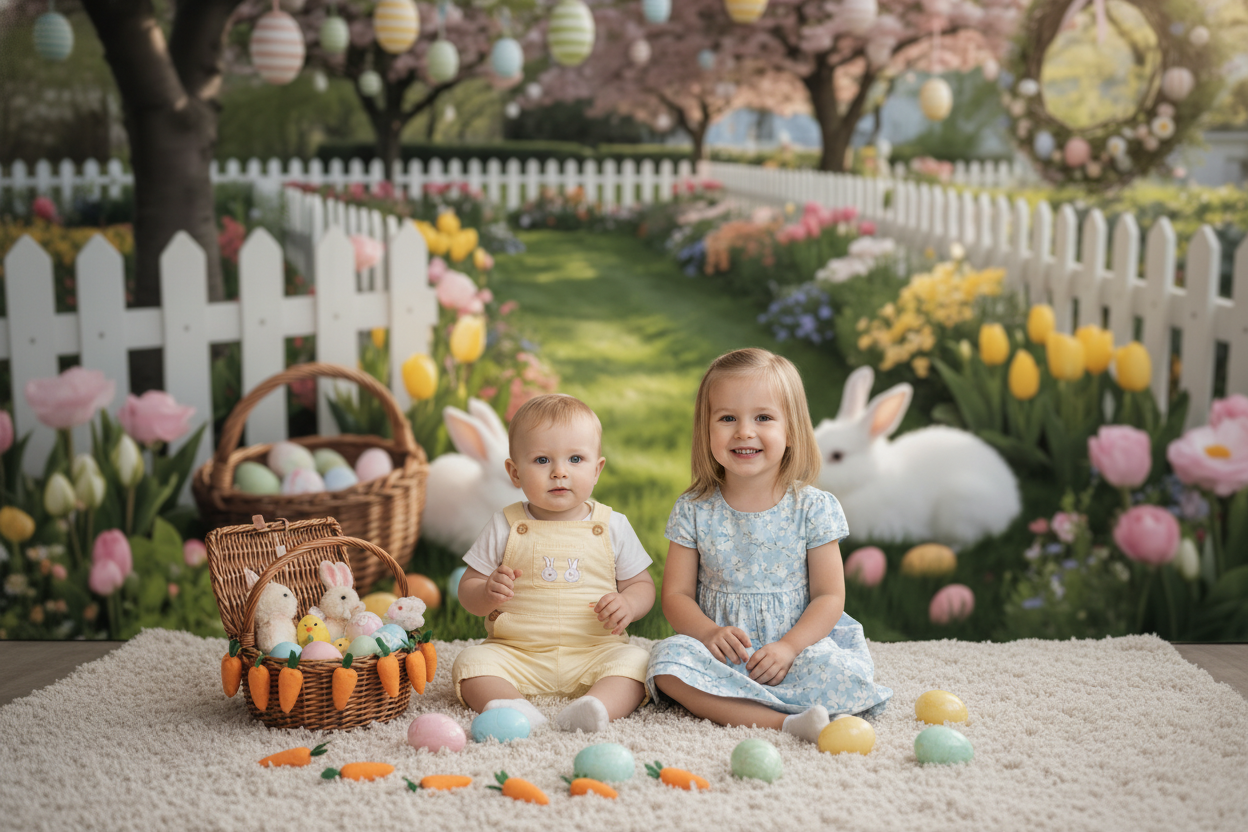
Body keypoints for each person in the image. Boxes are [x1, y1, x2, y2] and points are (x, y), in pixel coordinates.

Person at [647, 348, 892, 743]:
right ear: (706, 430)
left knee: (845, 675)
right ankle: (784, 722)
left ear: (792, 430)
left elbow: (830, 596)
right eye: (727, 418)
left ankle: (762, 702)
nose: (744, 431)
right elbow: (675, 595)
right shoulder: (694, 509)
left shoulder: (814, 507)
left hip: (797, 646)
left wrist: (789, 648)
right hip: (726, 655)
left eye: (763, 417)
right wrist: (708, 634)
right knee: (666, 665)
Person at [453, 393, 655, 733]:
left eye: (576, 459)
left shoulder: (612, 525)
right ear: (514, 473)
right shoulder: (504, 525)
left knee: (637, 662)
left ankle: (595, 707)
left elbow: (642, 585)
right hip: (518, 652)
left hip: (595, 649)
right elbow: (467, 591)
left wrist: (629, 604)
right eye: (542, 460)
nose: (560, 472)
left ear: (597, 469)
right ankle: (514, 707)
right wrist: (486, 592)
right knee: (470, 664)